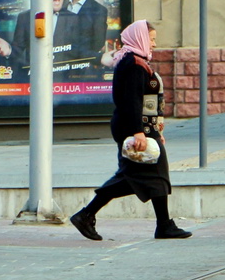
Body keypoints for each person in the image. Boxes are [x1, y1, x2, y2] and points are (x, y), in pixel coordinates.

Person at [70, 20, 191, 241]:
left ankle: (163, 224)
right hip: (135, 129)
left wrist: (156, 130)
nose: (154, 44)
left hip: (144, 128)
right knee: (137, 177)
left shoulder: (136, 60)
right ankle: (86, 214)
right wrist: (138, 132)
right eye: (151, 39)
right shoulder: (134, 64)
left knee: (151, 176)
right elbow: (131, 101)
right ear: (140, 39)